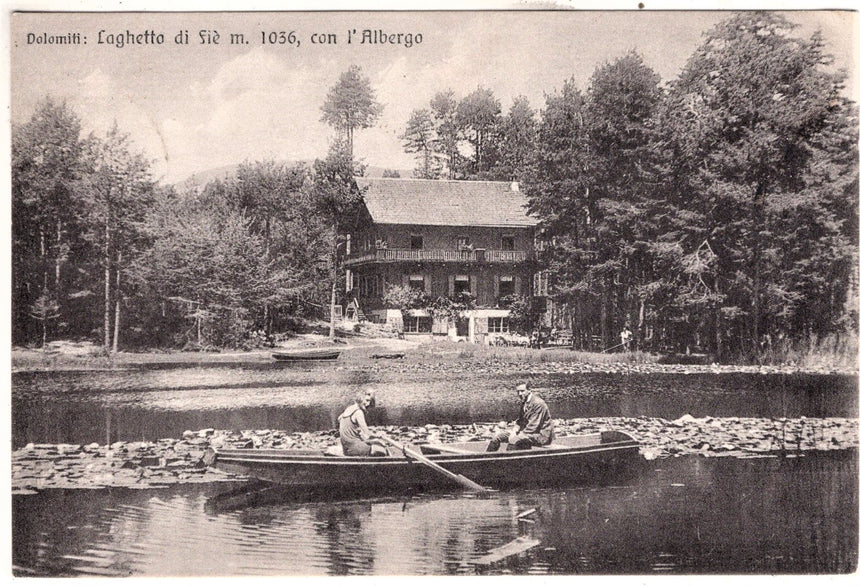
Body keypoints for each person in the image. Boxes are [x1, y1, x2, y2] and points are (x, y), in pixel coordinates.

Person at [486, 382, 554, 451]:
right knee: (497, 437)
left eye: (522, 391)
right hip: (526, 433)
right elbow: (520, 421)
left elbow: (532, 427)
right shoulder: (524, 402)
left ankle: (509, 461)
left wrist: (517, 435)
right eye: (518, 391)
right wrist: (514, 431)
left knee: (514, 440)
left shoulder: (538, 404)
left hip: (541, 436)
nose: (520, 394)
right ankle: (487, 459)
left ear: (529, 390)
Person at [338, 388, 389, 457]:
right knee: (382, 449)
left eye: (369, 401)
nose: (368, 404)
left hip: (346, 448)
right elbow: (367, 433)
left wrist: (353, 429)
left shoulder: (349, 408)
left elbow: (339, 419)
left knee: (374, 443)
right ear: (360, 399)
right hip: (354, 447)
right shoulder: (358, 412)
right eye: (366, 400)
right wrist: (379, 435)